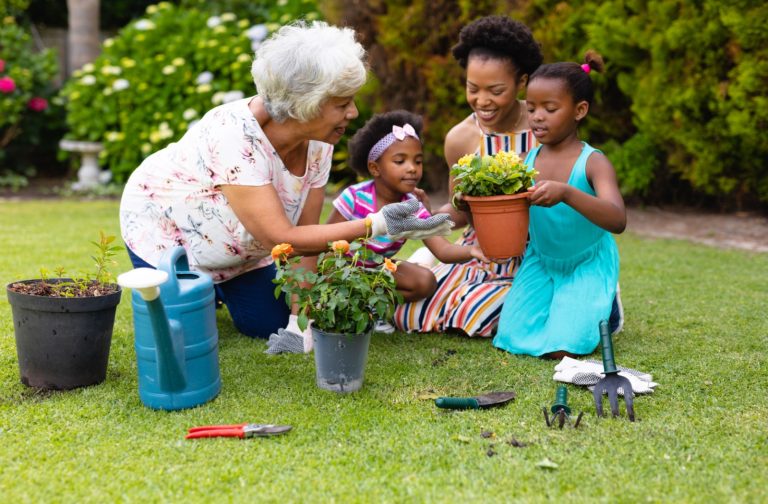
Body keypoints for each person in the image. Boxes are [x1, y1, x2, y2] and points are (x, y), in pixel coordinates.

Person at [119, 21, 453, 344]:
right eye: (342, 104)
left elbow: (306, 238)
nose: (353, 113)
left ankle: (219, 288)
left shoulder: (319, 142)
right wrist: (378, 223)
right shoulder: (233, 135)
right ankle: (208, 290)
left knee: (270, 323)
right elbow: (280, 237)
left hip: (242, 252)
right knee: (185, 331)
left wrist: (298, 322)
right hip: (168, 237)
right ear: (304, 106)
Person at [394, 15, 543, 337]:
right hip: (482, 251)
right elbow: (461, 210)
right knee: (414, 315)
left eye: (496, 90)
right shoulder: (461, 138)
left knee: (482, 315)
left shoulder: (542, 129)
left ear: (522, 82)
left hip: (539, 252)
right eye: (472, 88)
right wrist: (426, 217)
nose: (482, 101)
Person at [493, 51, 625, 358]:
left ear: (579, 110)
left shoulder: (592, 162)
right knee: (510, 339)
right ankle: (582, 307)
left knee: (564, 348)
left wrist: (567, 193)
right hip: (541, 261)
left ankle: (610, 308)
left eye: (550, 108)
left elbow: (618, 219)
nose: (537, 116)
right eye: (532, 107)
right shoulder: (526, 161)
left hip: (586, 262)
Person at [326, 110, 488, 306]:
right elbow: (327, 242)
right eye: (400, 161)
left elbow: (443, 250)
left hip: (378, 270)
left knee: (425, 281)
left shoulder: (412, 206)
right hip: (342, 269)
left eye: (417, 161)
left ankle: (376, 308)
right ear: (375, 168)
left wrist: (474, 250)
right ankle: (354, 303)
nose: (412, 168)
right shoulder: (354, 197)